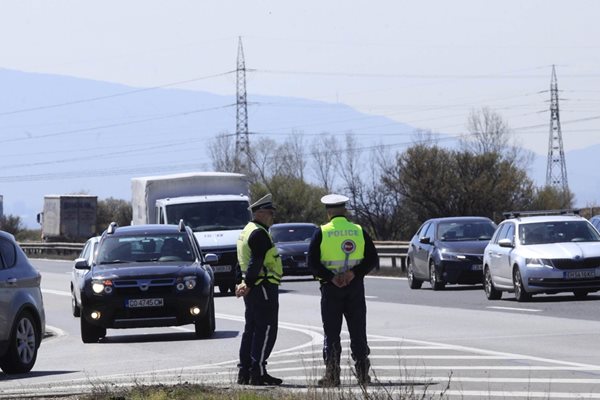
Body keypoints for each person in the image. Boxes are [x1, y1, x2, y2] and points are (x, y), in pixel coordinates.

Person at [308, 194, 379, 387]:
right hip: (355, 288)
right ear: (345, 210)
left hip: (331, 288)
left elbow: (312, 263)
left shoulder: (321, 232)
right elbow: (372, 258)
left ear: (328, 212)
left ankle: (332, 375)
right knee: (358, 331)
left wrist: (331, 276)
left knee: (331, 333)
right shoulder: (358, 230)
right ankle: (363, 374)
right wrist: (354, 273)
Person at [235, 193, 284, 386]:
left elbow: (240, 261)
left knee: (251, 329)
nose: (272, 216)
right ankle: (258, 372)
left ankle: (244, 372)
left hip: (253, 286)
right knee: (266, 329)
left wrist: (240, 282)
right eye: (270, 213)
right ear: (260, 213)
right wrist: (248, 282)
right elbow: (256, 261)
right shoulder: (259, 233)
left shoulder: (246, 231)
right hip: (262, 285)